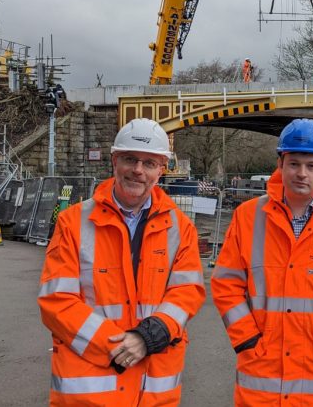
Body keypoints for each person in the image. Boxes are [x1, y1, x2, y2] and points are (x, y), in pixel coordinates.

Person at [38, 118, 206, 405]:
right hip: (89, 394)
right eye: (130, 159)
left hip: (152, 391)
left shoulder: (180, 228)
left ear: (161, 170)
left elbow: (187, 293)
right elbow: (57, 301)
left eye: (149, 163)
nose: (138, 170)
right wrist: (118, 347)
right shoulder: (73, 223)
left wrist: (149, 336)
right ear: (115, 161)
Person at [211, 118, 313, 406]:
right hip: (261, 374)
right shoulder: (248, 217)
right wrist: (247, 340)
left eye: (311, 165)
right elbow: (226, 284)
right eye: (294, 163)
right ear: (280, 164)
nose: (302, 173)